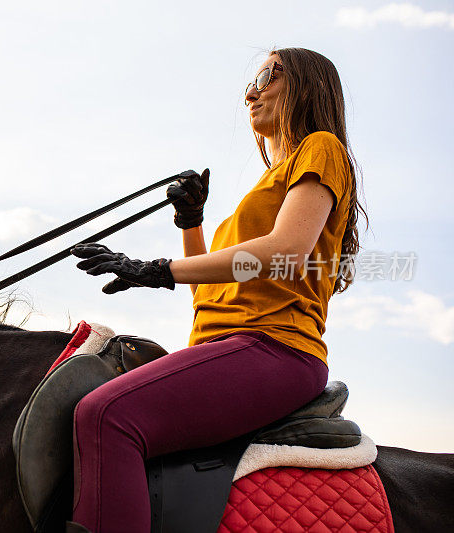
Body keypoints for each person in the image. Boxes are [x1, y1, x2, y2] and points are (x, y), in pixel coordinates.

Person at [65, 47, 368, 533]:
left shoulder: (321, 148)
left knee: (104, 416)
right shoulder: (268, 186)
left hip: (275, 350)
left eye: (270, 75)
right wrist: (191, 222)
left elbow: (285, 248)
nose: (252, 90)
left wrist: (158, 269)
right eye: (252, 79)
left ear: (308, 85)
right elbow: (212, 295)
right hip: (228, 345)